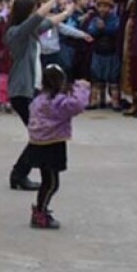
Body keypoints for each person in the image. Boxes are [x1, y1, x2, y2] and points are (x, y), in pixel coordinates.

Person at [4, 0, 74, 191]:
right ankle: (18, 174)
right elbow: (37, 19)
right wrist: (52, 0)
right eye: (33, 9)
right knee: (39, 135)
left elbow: (48, 22)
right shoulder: (16, 33)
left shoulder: (31, 32)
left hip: (32, 91)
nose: (36, 12)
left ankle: (19, 174)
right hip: (21, 91)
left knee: (39, 134)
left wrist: (67, 11)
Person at [25, 66, 90, 230]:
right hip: (52, 144)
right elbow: (79, 105)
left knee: (47, 180)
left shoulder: (39, 100)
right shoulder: (59, 102)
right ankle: (40, 212)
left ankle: (41, 209)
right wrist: (81, 87)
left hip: (38, 143)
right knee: (52, 183)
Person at [84, 0, 122, 110]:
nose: (102, 9)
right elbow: (90, 30)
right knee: (96, 77)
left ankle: (115, 101)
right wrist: (98, 29)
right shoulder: (95, 19)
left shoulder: (115, 18)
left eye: (106, 7)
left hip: (111, 51)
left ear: (110, 8)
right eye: (100, 6)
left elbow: (116, 29)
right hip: (98, 51)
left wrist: (104, 28)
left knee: (113, 77)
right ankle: (97, 100)